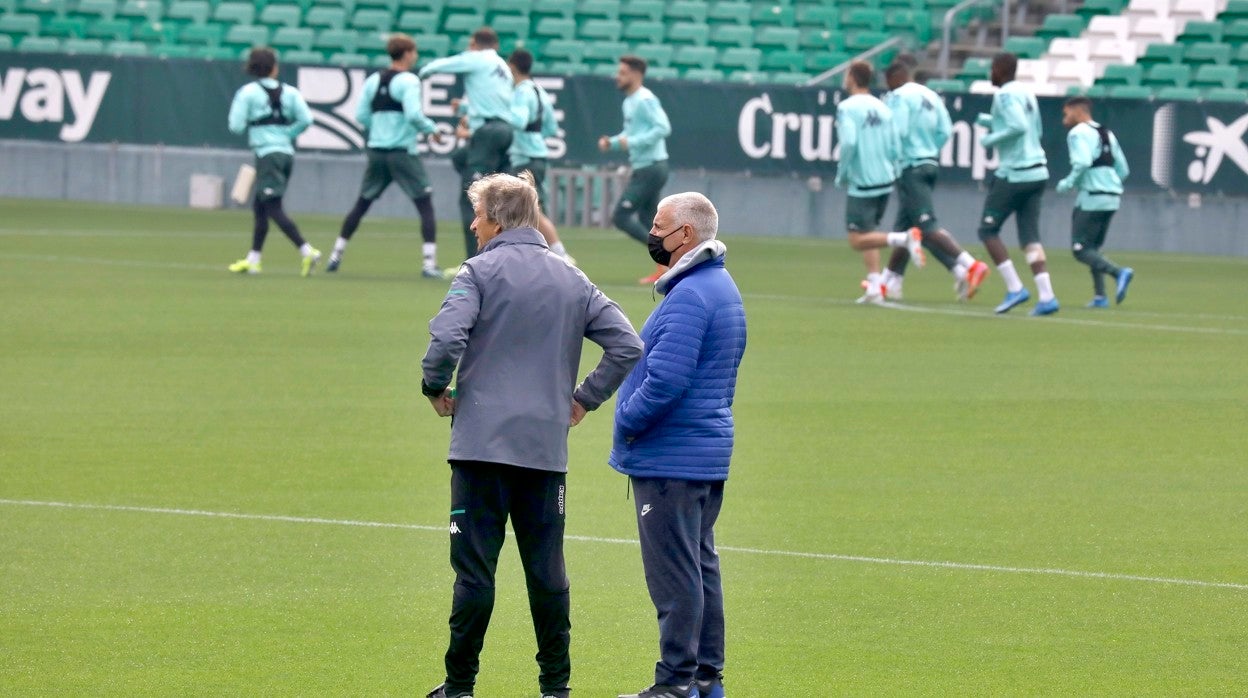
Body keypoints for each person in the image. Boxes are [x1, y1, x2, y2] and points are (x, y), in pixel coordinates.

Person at [421, 172, 643, 698]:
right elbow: (627, 345)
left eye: (478, 215)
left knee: (474, 573)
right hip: (544, 451)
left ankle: (459, 686)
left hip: (479, 448)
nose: (473, 225)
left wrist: (434, 386)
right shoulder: (573, 279)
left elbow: (446, 339)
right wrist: (584, 398)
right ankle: (555, 688)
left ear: (497, 221)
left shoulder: (477, 271)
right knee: (547, 573)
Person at [610, 192, 747, 698]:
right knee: (699, 567)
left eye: (658, 225)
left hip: (672, 457)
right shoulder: (719, 286)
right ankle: (706, 679)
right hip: (701, 454)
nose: (651, 234)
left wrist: (626, 419)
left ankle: (674, 683)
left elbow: (666, 381)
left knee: (674, 577)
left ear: (685, 234)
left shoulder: (691, 295)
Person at [326, 34, 442, 277]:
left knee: (362, 203)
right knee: (424, 202)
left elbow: (361, 115)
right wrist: (432, 129)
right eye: (414, 52)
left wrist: (380, 130)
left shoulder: (373, 80)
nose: (415, 56)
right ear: (407, 54)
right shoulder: (409, 80)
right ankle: (429, 264)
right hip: (402, 153)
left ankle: (336, 255)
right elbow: (413, 115)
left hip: (377, 152)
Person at [880, 61, 991, 302]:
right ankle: (890, 282)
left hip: (911, 166)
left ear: (893, 79)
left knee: (927, 227)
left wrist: (892, 157)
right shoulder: (931, 95)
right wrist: (929, 149)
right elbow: (945, 131)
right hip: (930, 164)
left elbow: (898, 131)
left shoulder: (898, 96)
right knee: (908, 230)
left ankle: (970, 265)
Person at [419, 27, 515, 261]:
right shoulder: (503, 67)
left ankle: (476, 261)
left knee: (473, 197)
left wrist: (418, 75)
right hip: (504, 131)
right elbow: (493, 102)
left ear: (475, 45)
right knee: (460, 158)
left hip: (488, 132)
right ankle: (502, 252)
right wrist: (466, 109)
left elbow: (435, 67)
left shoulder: (478, 58)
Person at [975, 53, 1060, 316]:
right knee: (1030, 237)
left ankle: (1015, 288)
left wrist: (990, 140)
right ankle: (1047, 296)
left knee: (988, 230)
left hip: (1015, 173)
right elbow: (1034, 128)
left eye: (992, 68)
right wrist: (990, 121)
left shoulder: (1004, 94)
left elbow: (1019, 126)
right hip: (1038, 172)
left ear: (1000, 70)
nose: (990, 73)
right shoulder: (1026, 92)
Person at [833, 60, 924, 304]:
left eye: (847, 74)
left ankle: (903, 238)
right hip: (885, 180)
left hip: (863, 181)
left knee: (856, 240)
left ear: (853, 78)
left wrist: (843, 173)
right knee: (869, 233)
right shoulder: (883, 107)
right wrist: (891, 168)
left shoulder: (847, 107)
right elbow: (895, 144)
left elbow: (849, 143)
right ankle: (875, 285)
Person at [226, 47, 320, 276]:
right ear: (274, 68)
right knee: (260, 206)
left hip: (266, 154)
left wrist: (256, 125)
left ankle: (306, 250)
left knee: (273, 207)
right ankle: (254, 259)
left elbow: (235, 126)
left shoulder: (247, 93)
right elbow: (306, 119)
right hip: (286, 154)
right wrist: (287, 133)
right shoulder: (291, 92)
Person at [598, 55, 672, 285]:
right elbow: (630, 134)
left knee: (620, 216)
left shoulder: (645, 99)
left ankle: (666, 258)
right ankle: (666, 267)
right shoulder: (629, 101)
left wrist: (632, 142)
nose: (617, 77)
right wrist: (612, 143)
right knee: (650, 220)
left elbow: (663, 128)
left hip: (651, 167)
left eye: (622, 73)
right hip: (647, 166)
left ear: (636, 74)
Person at [1057, 96, 1135, 307]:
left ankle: (1119, 273)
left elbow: (1082, 162)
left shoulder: (1077, 133)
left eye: (1066, 113)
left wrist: (1067, 183)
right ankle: (1100, 297)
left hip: (1092, 197)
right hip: (1111, 198)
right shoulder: (1106, 132)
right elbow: (1123, 169)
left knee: (1080, 249)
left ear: (1077, 111)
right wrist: (1108, 183)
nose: (1064, 118)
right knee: (1093, 248)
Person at [502, 48, 575, 264]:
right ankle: (542, 254)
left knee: (530, 210)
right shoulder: (539, 90)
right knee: (529, 209)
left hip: (524, 157)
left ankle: (559, 255)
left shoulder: (521, 91)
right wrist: (535, 137)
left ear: (512, 66)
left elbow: (519, 121)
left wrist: (499, 115)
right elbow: (551, 127)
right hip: (538, 155)